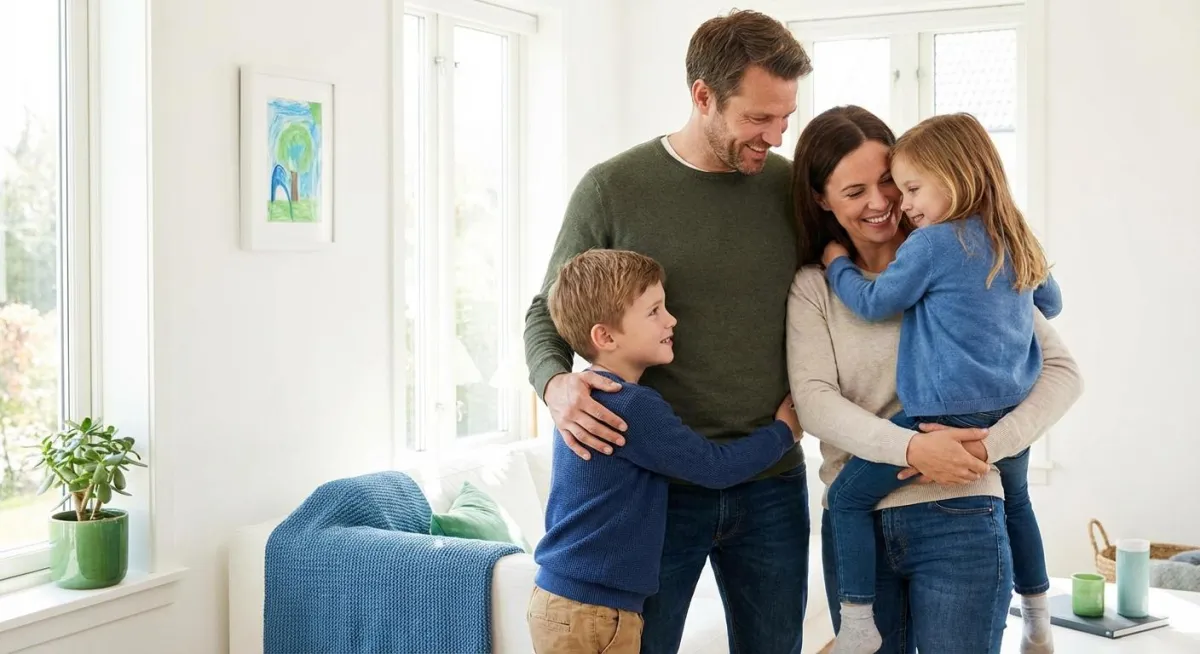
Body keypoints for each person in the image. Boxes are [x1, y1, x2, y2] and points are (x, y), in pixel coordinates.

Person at [523, 10, 814, 653]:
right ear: (703, 96)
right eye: (758, 118)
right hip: (654, 492)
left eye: (785, 117)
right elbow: (547, 310)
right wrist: (555, 386)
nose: (775, 135)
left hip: (771, 481)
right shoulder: (612, 188)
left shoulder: (790, 188)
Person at [786, 105, 1084, 654]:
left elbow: (1063, 372)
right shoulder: (814, 288)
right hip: (867, 533)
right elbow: (815, 403)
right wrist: (916, 449)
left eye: (892, 182)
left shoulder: (954, 255)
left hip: (963, 510)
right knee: (1018, 501)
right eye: (854, 191)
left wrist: (987, 444)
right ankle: (1038, 613)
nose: (885, 202)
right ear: (822, 200)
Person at [527, 249, 802, 654]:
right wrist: (783, 432)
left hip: (561, 601)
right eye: (654, 311)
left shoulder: (583, 397)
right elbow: (714, 467)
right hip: (596, 614)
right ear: (606, 337)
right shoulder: (631, 405)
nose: (671, 320)